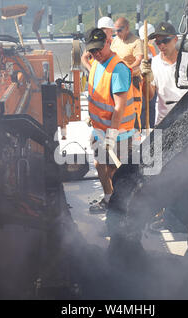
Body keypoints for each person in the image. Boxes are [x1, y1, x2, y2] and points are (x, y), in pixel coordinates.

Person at [85, 28, 137, 214]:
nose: (96, 53)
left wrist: (111, 136)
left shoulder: (118, 69)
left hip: (119, 133)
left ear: (108, 42)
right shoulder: (96, 63)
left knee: (115, 172)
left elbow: (119, 108)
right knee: (100, 165)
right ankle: (108, 199)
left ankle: (120, 209)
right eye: (92, 50)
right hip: (100, 130)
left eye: (99, 49)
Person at [140, 22, 188, 126]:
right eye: (158, 42)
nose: (162, 45)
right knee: (155, 142)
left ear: (175, 39)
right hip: (163, 122)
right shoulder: (153, 63)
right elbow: (148, 97)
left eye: (165, 41)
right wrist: (145, 79)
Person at [111, 17, 143, 130]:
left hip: (132, 81)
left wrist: (127, 70)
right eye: (115, 30)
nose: (117, 33)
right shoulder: (115, 40)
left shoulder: (136, 42)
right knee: (118, 110)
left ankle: (135, 141)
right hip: (116, 81)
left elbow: (138, 60)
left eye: (119, 30)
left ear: (127, 28)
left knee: (133, 111)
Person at [138, 23, 158, 128]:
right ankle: (143, 128)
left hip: (151, 82)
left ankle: (151, 127)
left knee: (151, 106)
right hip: (142, 83)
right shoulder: (139, 49)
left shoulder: (151, 48)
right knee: (143, 108)